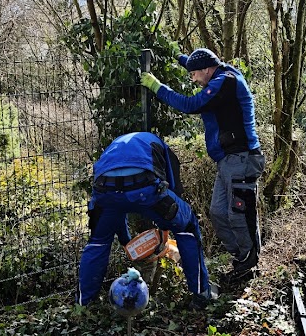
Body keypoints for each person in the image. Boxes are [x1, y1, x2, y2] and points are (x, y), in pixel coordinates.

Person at [141, 48, 264, 286]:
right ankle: (241, 258)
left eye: (194, 75)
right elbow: (196, 63)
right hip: (227, 161)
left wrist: (157, 87)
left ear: (207, 70)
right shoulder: (215, 72)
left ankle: (249, 264)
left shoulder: (225, 82)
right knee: (218, 212)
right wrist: (173, 53)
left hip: (242, 157)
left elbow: (191, 104)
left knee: (238, 213)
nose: (193, 80)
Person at [77, 131, 217, 309]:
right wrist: (166, 227)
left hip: (105, 191)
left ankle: (83, 305)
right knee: (187, 226)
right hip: (145, 188)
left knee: (97, 242)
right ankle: (201, 294)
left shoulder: (114, 146)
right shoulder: (160, 145)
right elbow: (173, 189)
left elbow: (117, 204)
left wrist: (126, 241)